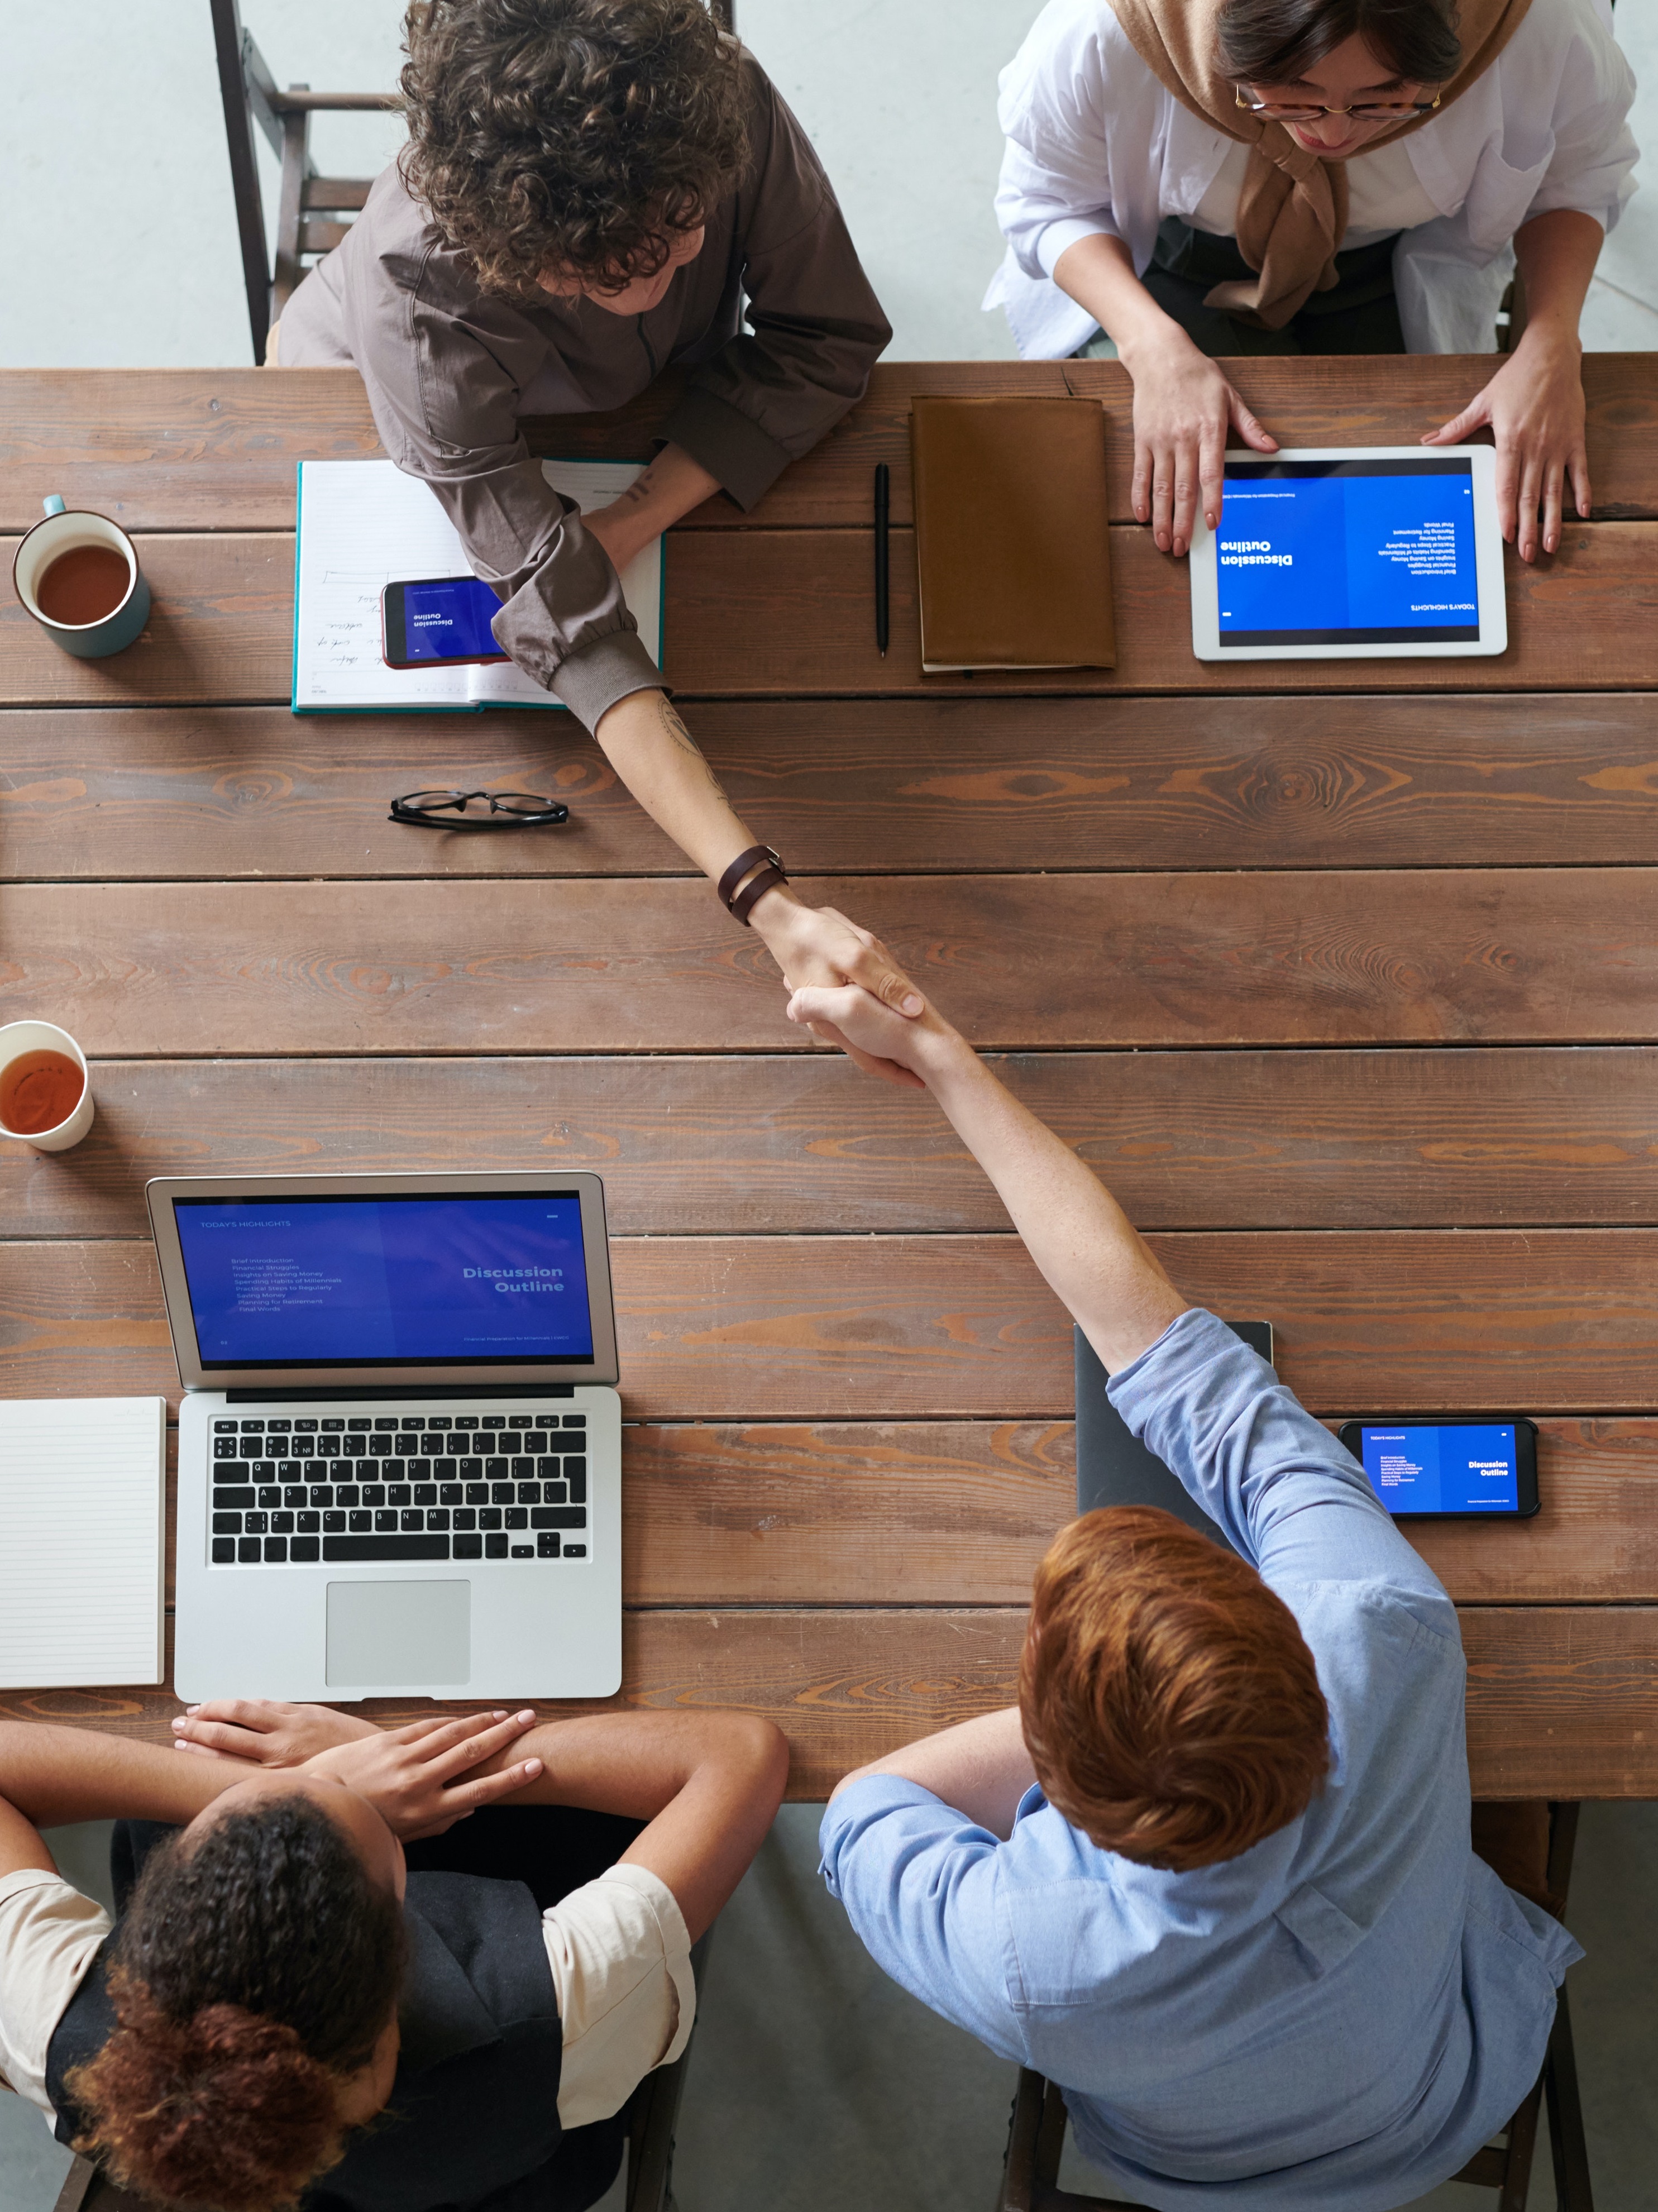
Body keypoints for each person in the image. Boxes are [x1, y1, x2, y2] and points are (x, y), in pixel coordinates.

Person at [788, 958, 1581, 2209]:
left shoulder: (1021, 1956)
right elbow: (1174, 1360)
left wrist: (936, 1055)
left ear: (1046, 1784)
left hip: (1184, 2168)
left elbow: (863, 1811)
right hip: (1448, 2081)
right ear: (1289, 1660)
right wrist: (942, 1052)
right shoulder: (1376, 1629)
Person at [277, 0, 923, 1048]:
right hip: (380, 396)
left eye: (688, 228)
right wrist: (763, 898)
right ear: (518, 258)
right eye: (633, 270)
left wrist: (633, 516)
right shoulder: (415, 305)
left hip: (629, 421)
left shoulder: (709, 103)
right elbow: (567, 624)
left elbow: (826, 334)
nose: (692, 261)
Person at [0, 1699, 786, 2211]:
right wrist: (419, 1758)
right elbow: (744, 1750)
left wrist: (303, 1783)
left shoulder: (59, 2037)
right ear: (406, 1944)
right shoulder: (557, 2008)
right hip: (519, 2168)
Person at [985, 0, 1636, 565]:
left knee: (1414, 508)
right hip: (1178, 262)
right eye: (1290, 98)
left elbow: (1572, 183)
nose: (1330, 133)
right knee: (1214, 512)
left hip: (1392, 261)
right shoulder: (1108, 31)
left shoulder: (1538, 25)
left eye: (1381, 101)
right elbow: (1049, 202)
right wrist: (1150, 347)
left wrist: (1551, 340)